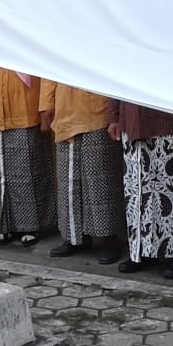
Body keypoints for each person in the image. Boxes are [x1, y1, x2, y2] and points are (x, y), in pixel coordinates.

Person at [0, 63, 54, 248]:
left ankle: (32, 226)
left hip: (26, 106)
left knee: (29, 171)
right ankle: (8, 225)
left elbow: (46, 69)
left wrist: (46, 106)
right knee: (3, 173)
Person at [107, 102, 173, 279]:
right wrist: (114, 116)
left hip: (168, 124)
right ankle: (145, 252)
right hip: (132, 124)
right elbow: (117, 76)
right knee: (137, 191)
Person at [40, 80, 124, 264]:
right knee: (67, 182)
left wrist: (114, 115)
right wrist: (46, 104)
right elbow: (48, 70)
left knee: (101, 182)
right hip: (64, 113)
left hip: (97, 114)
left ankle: (109, 240)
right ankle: (75, 239)